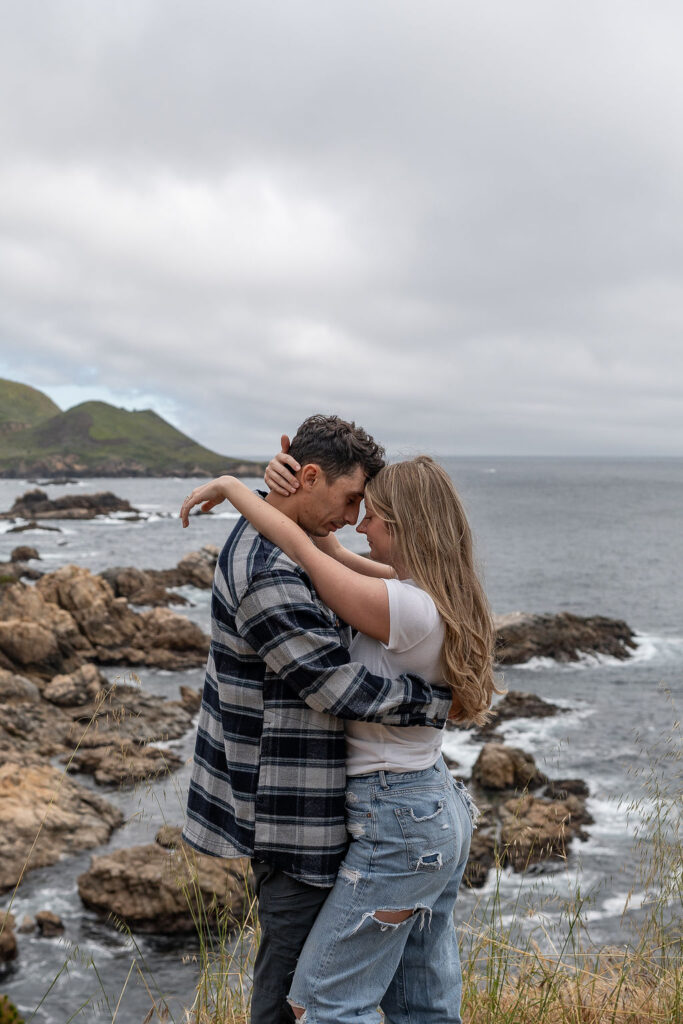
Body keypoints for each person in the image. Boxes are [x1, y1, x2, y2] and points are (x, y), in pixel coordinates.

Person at [182, 445, 500, 1024]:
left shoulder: (402, 606)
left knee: (324, 1002)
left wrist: (237, 489)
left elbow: (309, 553)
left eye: (370, 513)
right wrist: (288, 495)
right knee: (422, 1000)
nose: (359, 523)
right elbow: (326, 551)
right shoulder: (433, 591)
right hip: (432, 806)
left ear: (403, 525)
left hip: (397, 818)